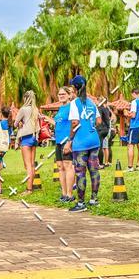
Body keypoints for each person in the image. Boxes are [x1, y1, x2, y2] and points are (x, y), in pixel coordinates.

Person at [67, 75, 102, 212]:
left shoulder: (74, 103)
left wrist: (69, 141)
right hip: (94, 140)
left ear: (75, 88)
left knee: (80, 173)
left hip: (80, 142)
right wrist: (90, 127)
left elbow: (75, 123)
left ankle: (81, 203)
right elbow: (98, 121)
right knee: (94, 170)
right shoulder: (91, 102)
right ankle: (94, 199)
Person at [45, 88, 75, 204]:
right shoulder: (61, 108)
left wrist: (69, 141)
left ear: (69, 95)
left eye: (63, 94)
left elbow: (74, 124)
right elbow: (59, 124)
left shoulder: (71, 107)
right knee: (60, 167)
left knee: (68, 166)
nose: (61, 96)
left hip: (66, 141)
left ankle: (70, 194)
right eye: (59, 94)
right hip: (58, 141)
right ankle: (64, 194)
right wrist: (48, 120)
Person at [14, 91, 40, 193]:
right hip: (34, 137)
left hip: (26, 137)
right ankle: (31, 187)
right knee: (32, 164)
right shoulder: (35, 109)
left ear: (25, 98)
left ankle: (29, 189)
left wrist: (20, 122)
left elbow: (15, 123)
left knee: (28, 165)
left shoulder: (23, 109)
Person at [127, 89, 139, 171]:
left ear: (134, 93)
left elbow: (133, 115)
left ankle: (130, 167)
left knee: (130, 145)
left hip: (135, 126)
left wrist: (127, 114)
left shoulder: (134, 102)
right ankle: (138, 166)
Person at [97, 99, 112, 168]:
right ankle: (104, 162)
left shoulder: (100, 108)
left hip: (101, 129)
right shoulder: (107, 110)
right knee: (105, 146)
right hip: (107, 129)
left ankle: (100, 163)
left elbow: (99, 120)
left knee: (100, 147)